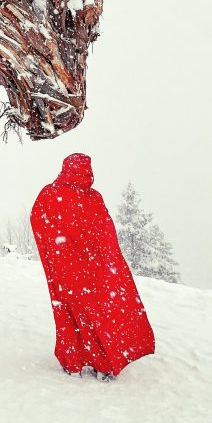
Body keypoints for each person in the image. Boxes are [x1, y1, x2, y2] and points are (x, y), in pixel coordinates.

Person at [30, 153, 155, 380]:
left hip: (65, 269)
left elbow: (38, 219)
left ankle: (74, 361)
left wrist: (57, 250)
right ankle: (103, 362)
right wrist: (105, 262)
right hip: (92, 270)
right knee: (99, 313)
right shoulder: (93, 198)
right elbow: (106, 233)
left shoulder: (50, 193)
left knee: (68, 312)